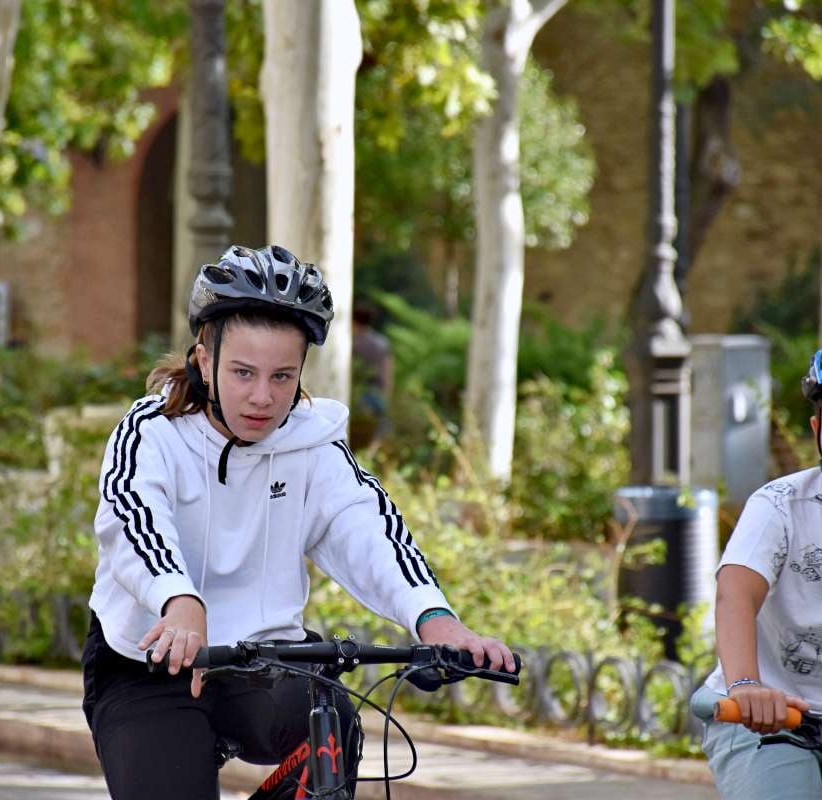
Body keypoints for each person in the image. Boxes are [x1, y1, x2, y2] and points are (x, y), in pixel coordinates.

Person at [81, 244, 514, 800]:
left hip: (260, 661)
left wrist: (434, 618)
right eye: (243, 372)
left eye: (282, 376)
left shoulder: (311, 443)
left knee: (331, 717)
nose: (263, 397)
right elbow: (133, 518)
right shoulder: (153, 431)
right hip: (149, 664)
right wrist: (178, 601)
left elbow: (367, 528)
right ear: (205, 360)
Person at [694, 327, 822, 800]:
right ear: (816, 430)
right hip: (768, 716)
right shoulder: (780, 505)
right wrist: (745, 685)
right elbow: (735, 597)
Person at [351, 303, 394, 453]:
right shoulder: (381, 343)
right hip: (377, 391)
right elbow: (387, 370)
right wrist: (387, 392)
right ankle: (371, 453)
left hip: (359, 392)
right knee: (381, 425)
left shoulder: (351, 343)